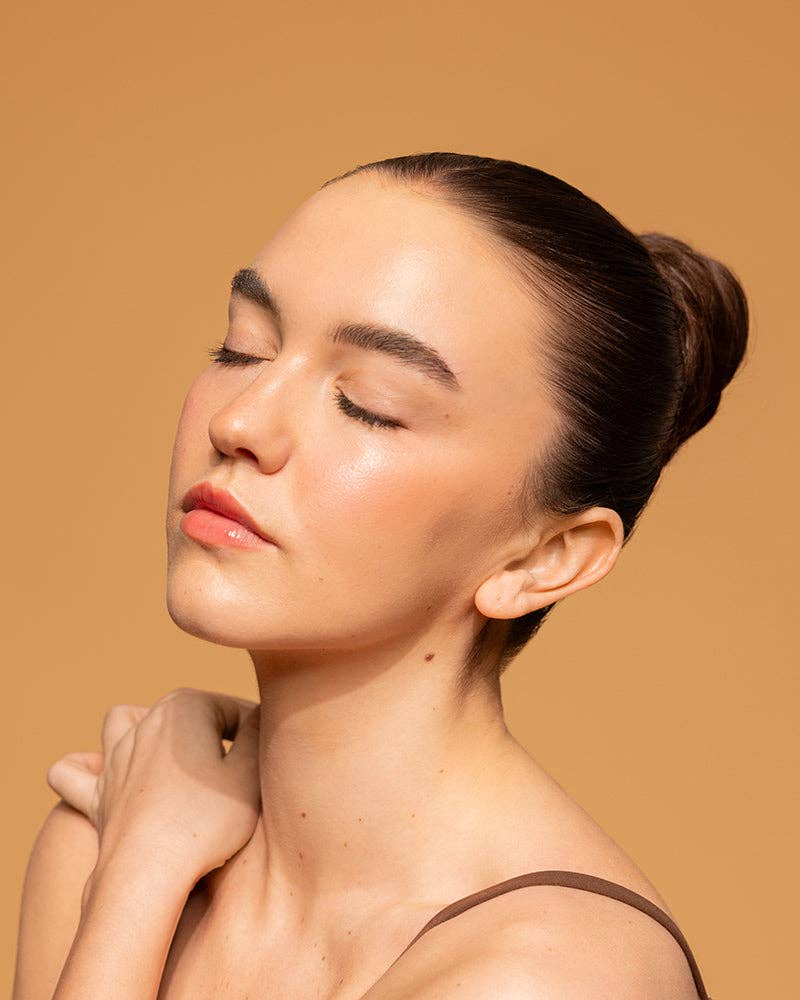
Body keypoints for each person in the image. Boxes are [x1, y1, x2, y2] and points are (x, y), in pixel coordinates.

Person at [13, 152, 748, 999]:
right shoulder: (110, 844)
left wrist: (133, 887)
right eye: (243, 348)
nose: (240, 422)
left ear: (544, 557)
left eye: (369, 403)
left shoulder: (553, 977)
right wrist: (140, 873)